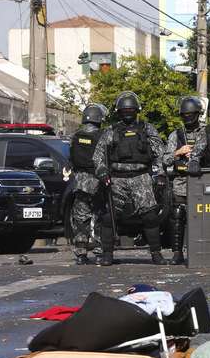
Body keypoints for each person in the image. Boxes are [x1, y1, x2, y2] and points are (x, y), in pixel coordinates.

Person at [93, 91, 168, 266]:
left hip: (141, 177)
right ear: (119, 112)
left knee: (150, 216)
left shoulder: (147, 128)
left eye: (131, 110)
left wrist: (159, 173)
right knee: (108, 216)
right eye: (124, 111)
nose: (127, 113)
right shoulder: (111, 131)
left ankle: (156, 253)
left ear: (137, 110)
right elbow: (98, 157)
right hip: (116, 178)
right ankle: (107, 254)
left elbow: (160, 153)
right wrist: (102, 172)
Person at [163, 96, 205, 265]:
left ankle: (202, 251)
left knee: (203, 215)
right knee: (178, 215)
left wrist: (197, 152)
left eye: (191, 114)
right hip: (181, 182)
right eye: (185, 115)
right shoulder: (176, 134)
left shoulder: (205, 132)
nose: (188, 118)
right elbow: (165, 159)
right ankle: (177, 252)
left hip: (202, 180)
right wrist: (178, 152)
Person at [69, 103, 107, 265]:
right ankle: (99, 251)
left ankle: (81, 253)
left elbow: (71, 158)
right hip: (97, 181)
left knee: (80, 218)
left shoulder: (76, 136)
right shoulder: (102, 136)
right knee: (99, 217)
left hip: (80, 182)